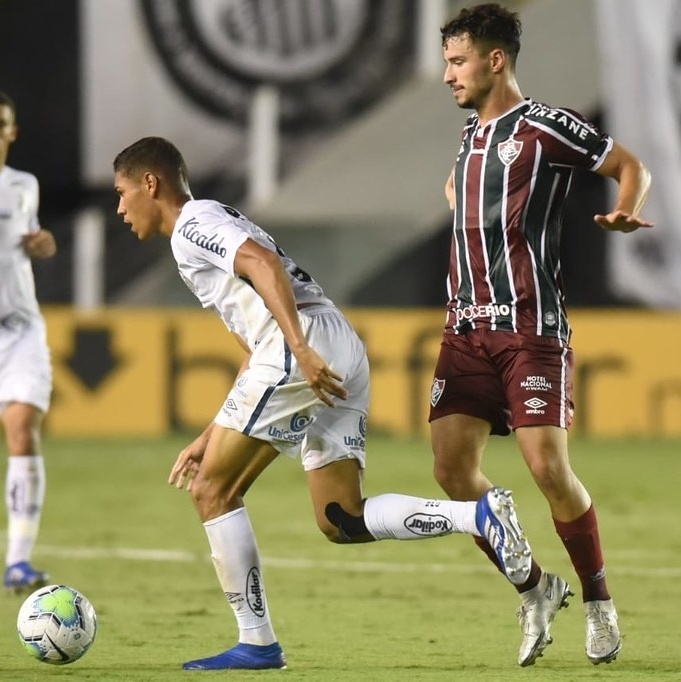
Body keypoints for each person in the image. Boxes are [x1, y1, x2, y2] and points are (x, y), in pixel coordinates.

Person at [113, 136, 534, 671]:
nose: (121, 208)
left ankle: (257, 643)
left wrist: (300, 349)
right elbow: (253, 343)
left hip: (303, 344)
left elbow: (261, 263)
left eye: (123, 193)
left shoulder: (193, 224)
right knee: (342, 518)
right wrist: (212, 431)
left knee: (212, 489)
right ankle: (476, 514)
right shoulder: (208, 222)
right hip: (332, 339)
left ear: (151, 184)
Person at [433, 3, 653, 668]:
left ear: (494, 60)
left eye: (456, 61)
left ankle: (596, 602)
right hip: (463, 331)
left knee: (546, 470)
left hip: (530, 328)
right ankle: (534, 587)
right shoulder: (470, 138)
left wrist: (623, 212)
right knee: (451, 473)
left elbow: (628, 164)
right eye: (446, 62)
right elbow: (458, 192)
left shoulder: (541, 125)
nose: (447, 75)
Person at [0, 90, 56, 594]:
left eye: (2, 124)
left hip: (19, 330)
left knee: (21, 431)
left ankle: (17, 561)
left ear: (12, 131)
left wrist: (43, 244)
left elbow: (36, 238)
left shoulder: (22, 186)